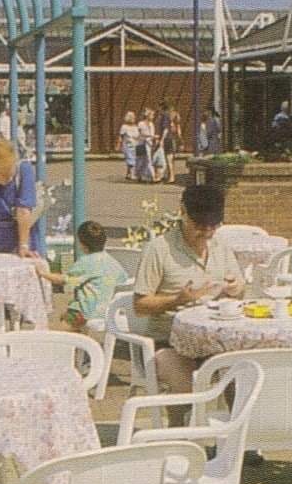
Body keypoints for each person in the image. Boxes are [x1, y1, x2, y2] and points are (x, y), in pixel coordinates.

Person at [134, 185, 244, 419]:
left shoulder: (221, 247)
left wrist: (235, 287)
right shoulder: (159, 249)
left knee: (242, 374)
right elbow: (140, 305)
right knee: (184, 384)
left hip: (216, 341)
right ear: (183, 212)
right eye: (199, 226)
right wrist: (177, 300)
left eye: (212, 227)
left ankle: (239, 445)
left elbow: (240, 287)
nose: (206, 232)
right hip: (169, 341)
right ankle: (180, 439)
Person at [35, 220, 129, 331]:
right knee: (68, 316)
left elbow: (63, 280)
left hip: (86, 312)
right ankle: (82, 342)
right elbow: (124, 279)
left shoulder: (86, 263)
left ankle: (68, 343)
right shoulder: (112, 262)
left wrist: (43, 274)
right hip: (108, 311)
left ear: (82, 244)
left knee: (61, 330)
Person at [157, 100, 178, 183]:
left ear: (161, 107)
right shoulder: (168, 115)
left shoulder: (165, 115)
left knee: (168, 158)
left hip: (167, 139)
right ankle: (169, 176)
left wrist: (162, 139)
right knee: (169, 158)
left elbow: (165, 128)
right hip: (170, 138)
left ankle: (171, 177)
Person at [135, 108, 158, 184]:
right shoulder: (141, 124)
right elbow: (138, 134)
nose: (153, 117)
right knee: (141, 161)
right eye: (152, 115)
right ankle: (139, 175)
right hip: (141, 144)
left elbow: (152, 135)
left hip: (149, 144)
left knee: (148, 160)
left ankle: (151, 176)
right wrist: (151, 136)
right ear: (147, 116)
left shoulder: (152, 124)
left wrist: (154, 140)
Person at [118, 111, 140, 181]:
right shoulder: (124, 127)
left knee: (133, 159)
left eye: (134, 117)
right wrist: (118, 145)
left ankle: (128, 174)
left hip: (135, 145)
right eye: (132, 117)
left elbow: (138, 136)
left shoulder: (136, 127)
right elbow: (120, 136)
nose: (133, 118)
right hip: (127, 146)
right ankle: (132, 175)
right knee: (131, 159)